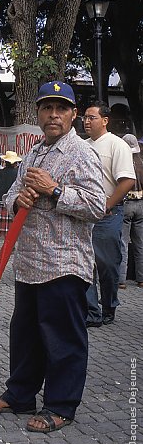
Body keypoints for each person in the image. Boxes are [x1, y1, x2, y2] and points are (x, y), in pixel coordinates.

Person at [0, 81, 105, 433]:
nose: (53, 115)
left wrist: (56, 190)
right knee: (25, 334)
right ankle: (20, 394)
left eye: (61, 108)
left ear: (73, 114)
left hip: (64, 263)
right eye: (47, 108)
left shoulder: (82, 154)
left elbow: (97, 206)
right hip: (30, 263)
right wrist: (15, 201)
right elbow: (11, 197)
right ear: (37, 113)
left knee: (63, 338)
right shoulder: (33, 153)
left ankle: (61, 405)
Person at [83, 101, 135, 327]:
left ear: (105, 120)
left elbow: (127, 181)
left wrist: (106, 205)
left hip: (109, 214)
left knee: (107, 264)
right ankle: (91, 311)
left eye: (91, 117)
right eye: (84, 117)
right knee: (85, 264)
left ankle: (109, 305)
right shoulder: (82, 146)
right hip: (84, 214)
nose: (86, 121)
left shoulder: (116, 145)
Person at [118, 134, 143, 289]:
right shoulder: (141, 162)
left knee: (123, 243)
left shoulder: (123, 163)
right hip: (141, 204)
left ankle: (121, 280)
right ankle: (141, 279)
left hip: (126, 204)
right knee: (140, 243)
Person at [0, 151, 22, 237]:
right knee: (12, 223)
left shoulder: (1, 172)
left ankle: (6, 243)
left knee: (3, 224)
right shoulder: (17, 173)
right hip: (13, 202)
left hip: (1, 200)